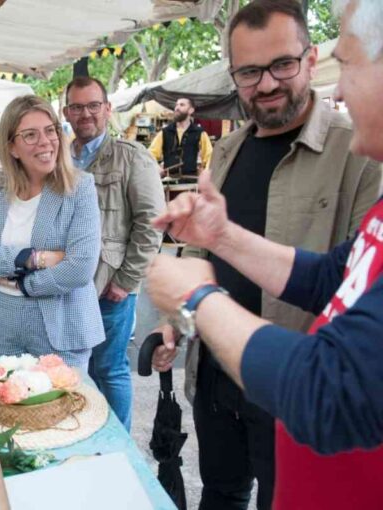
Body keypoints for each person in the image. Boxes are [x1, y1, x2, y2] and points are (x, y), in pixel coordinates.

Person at [147, 0, 383, 507]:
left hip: (286, 393)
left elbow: (331, 388)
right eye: (250, 72)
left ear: (311, 59)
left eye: (283, 65)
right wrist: (220, 237)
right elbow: (330, 275)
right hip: (222, 379)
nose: (339, 90)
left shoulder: (356, 155)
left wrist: (195, 299)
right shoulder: (230, 149)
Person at [0, 95, 104, 370]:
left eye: (50, 130)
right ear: (12, 147)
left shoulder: (80, 188)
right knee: (5, 407)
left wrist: (22, 283)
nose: (45, 141)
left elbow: (80, 267)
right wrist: (33, 259)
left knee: (62, 410)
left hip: (61, 327)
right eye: (30, 135)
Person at [63, 77, 164, 430]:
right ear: (66, 113)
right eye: (77, 107)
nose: (85, 114)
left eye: (93, 105)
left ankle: (118, 447)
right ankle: (87, 435)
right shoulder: (58, 159)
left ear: (108, 109)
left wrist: (126, 280)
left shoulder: (131, 158)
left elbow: (152, 224)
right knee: (76, 369)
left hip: (110, 285)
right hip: (68, 286)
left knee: (109, 367)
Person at [148, 97, 213, 176]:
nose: (177, 108)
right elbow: (150, 154)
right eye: (176, 105)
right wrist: (157, 167)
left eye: (182, 105)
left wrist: (205, 172)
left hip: (190, 181)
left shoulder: (199, 132)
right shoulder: (165, 132)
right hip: (168, 181)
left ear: (191, 110)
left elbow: (210, 156)